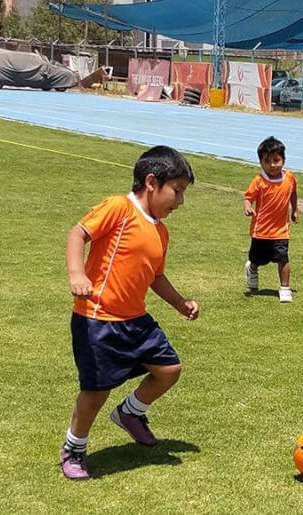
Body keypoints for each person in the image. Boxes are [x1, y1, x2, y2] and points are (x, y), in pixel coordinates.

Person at [61, 145, 199, 480]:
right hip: (97, 318)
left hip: (135, 319)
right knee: (95, 391)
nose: (179, 203)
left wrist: (180, 302)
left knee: (169, 369)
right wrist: (77, 274)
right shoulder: (118, 208)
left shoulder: (160, 230)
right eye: (177, 192)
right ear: (151, 182)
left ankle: (130, 413)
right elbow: (78, 234)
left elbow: (155, 276)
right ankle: (74, 448)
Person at [243, 136, 298, 302]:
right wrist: (247, 206)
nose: (273, 165)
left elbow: (293, 193)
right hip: (261, 231)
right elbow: (248, 197)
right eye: (267, 161)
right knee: (258, 259)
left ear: (283, 159)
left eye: (276, 160)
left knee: (283, 258)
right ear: (261, 163)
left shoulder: (289, 178)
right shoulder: (259, 181)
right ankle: (252, 268)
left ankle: (285, 288)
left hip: (281, 230)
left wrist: (295, 210)